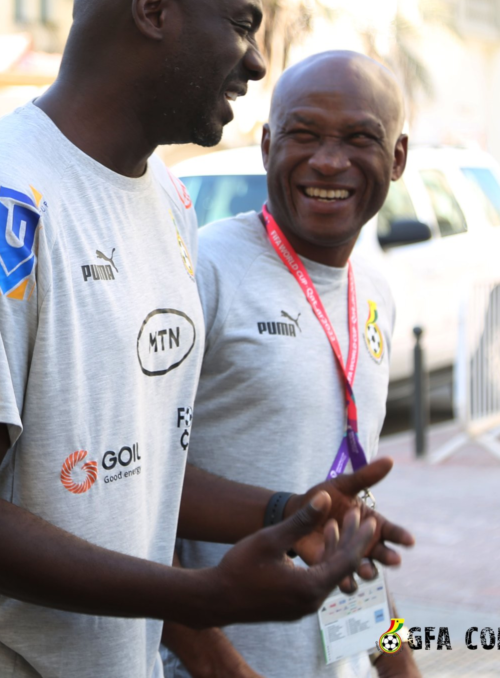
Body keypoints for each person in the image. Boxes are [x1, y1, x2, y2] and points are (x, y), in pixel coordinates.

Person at [0, 0, 413, 678]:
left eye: (360, 138)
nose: (257, 63)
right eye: (242, 25)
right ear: (153, 11)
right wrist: (202, 603)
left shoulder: (169, 203)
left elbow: (129, 471)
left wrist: (286, 513)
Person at [161, 51, 421, 678]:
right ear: (268, 145)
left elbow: (340, 512)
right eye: (304, 135)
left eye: (361, 138)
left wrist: (398, 664)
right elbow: (134, 493)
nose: (329, 161)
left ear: (398, 158)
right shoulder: (204, 270)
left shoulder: (375, 291)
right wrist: (219, 664)